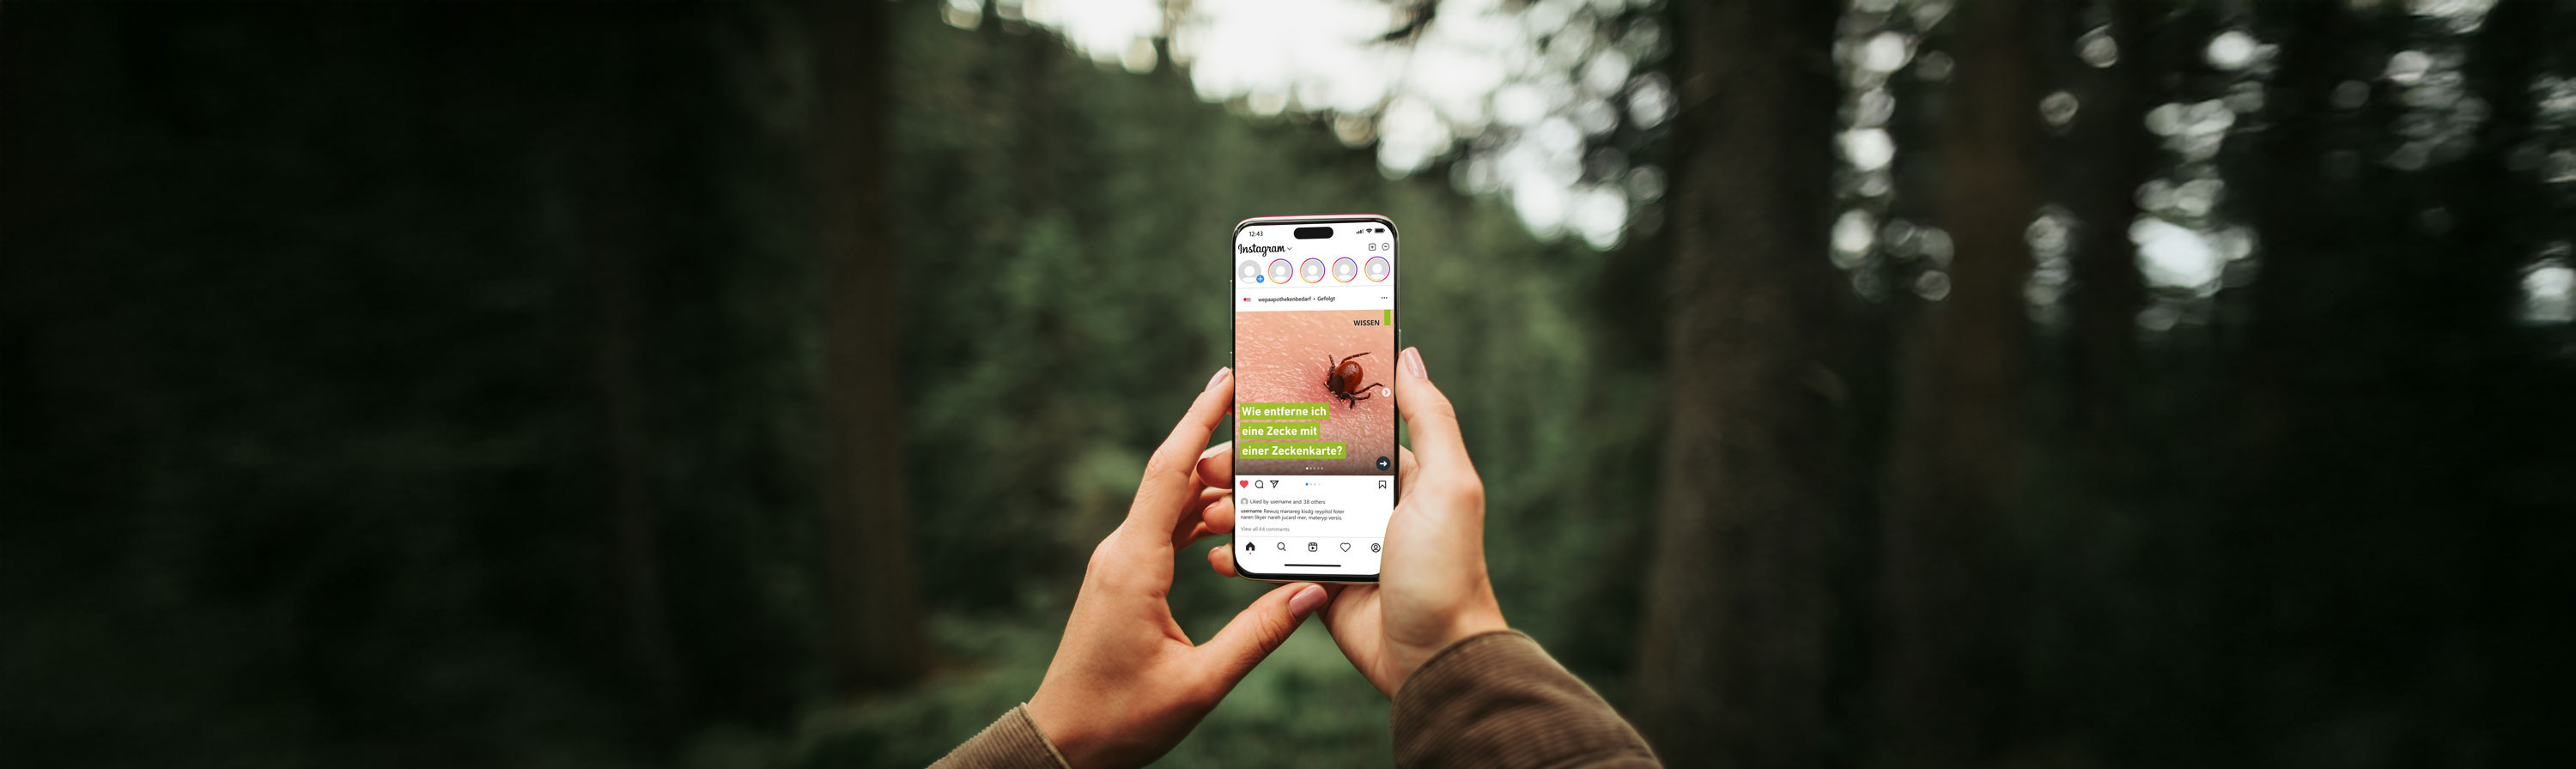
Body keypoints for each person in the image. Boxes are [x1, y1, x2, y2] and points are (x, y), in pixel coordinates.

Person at [932, 348, 1661, 769]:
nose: (1346, 385)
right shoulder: (1347, 385)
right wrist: (1455, 649)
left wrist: (1052, 740)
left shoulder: (1341, 385)